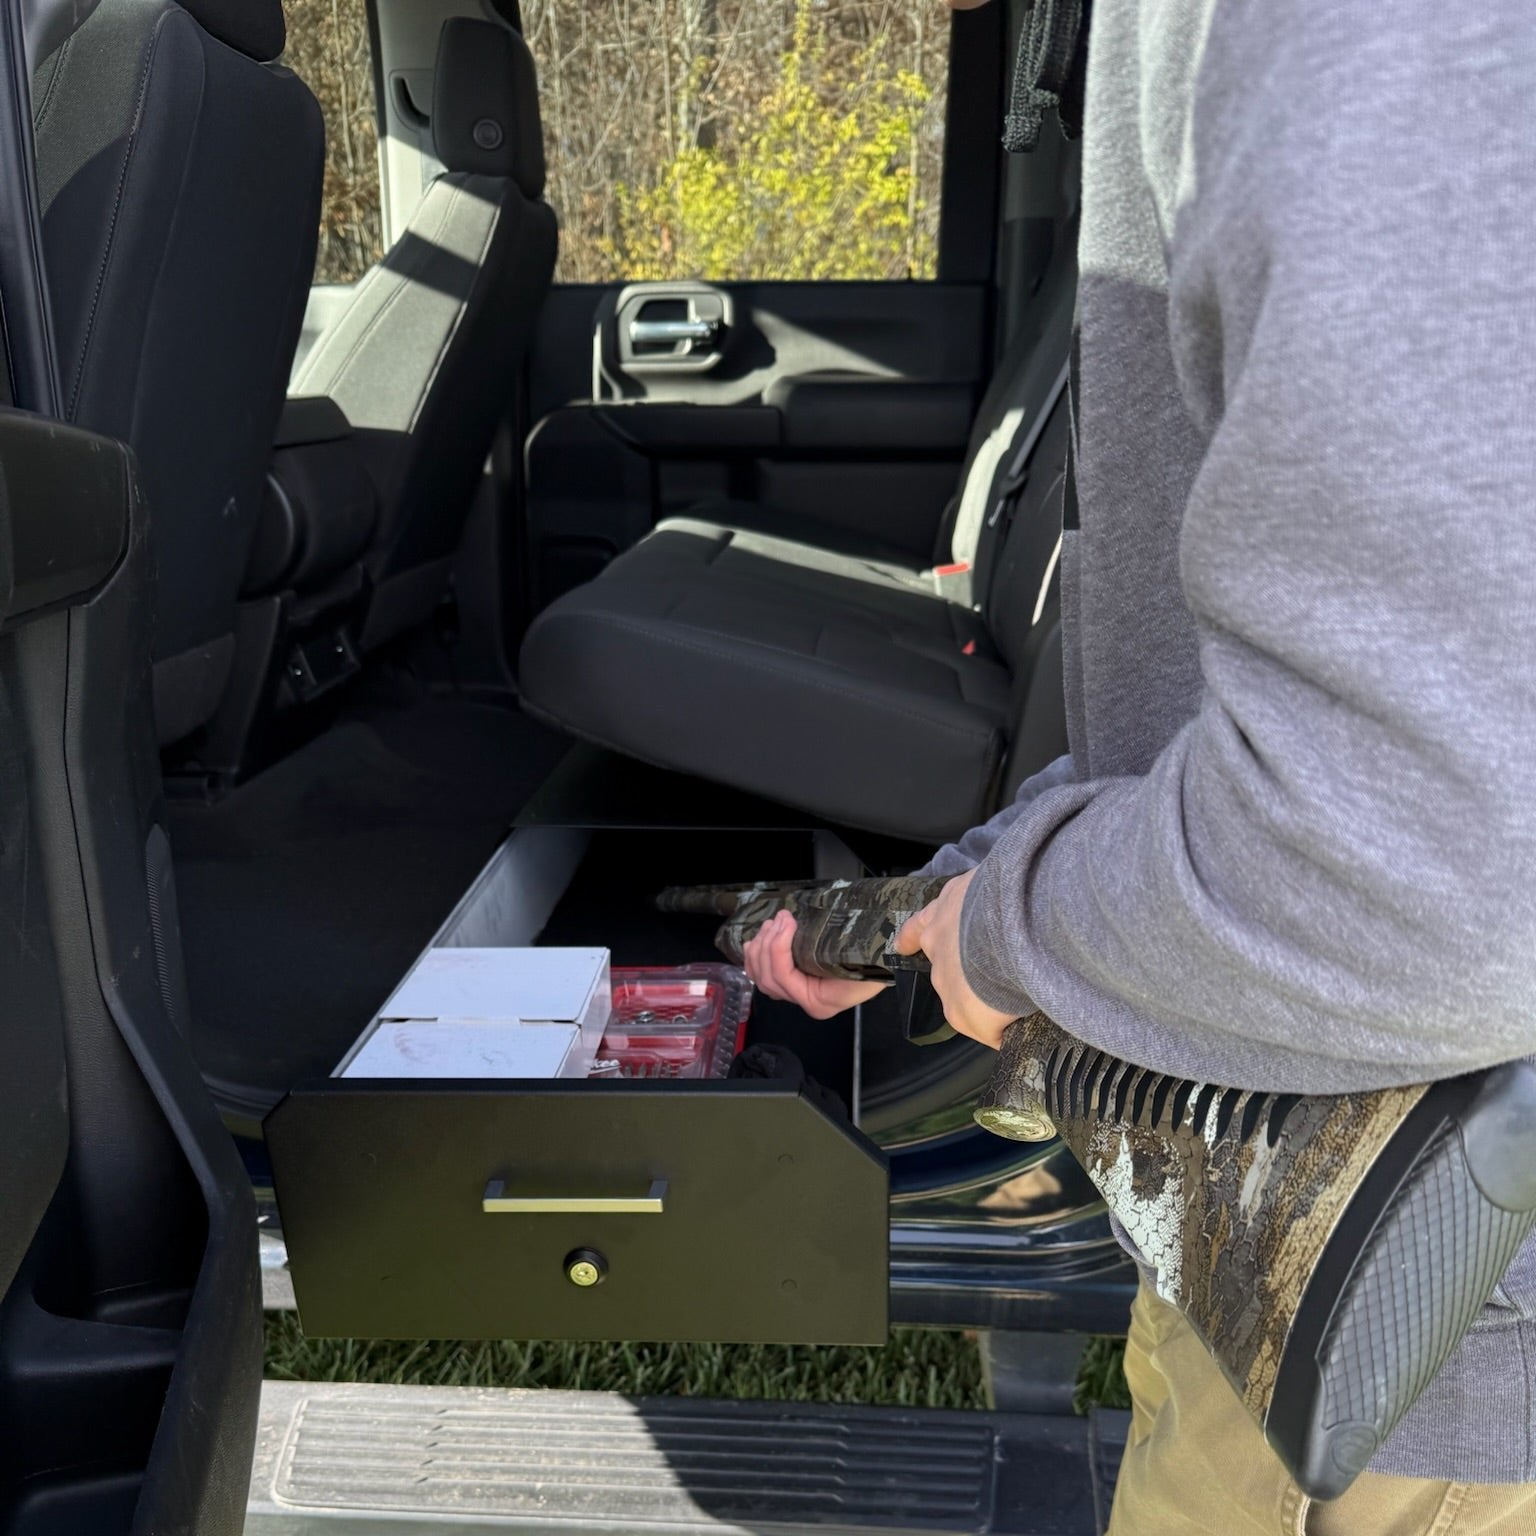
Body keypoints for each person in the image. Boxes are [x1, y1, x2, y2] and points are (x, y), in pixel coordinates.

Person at [744, 0, 1536, 1531]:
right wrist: (969, 890)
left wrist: (1011, 930)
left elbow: (1437, 858)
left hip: (1421, 1330)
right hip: (1298, 1238)